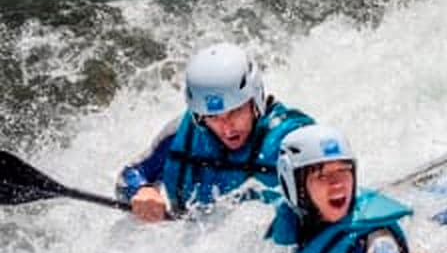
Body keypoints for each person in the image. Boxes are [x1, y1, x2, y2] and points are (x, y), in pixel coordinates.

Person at [116, 42, 314, 221]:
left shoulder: (293, 140)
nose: (227, 128)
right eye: (214, 117)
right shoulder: (181, 137)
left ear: (256, 101)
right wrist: (142, 191)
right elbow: (130, 175)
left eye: (235, 112)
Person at [267, 124, 412, 253]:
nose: (337, 183)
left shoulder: (379, 243)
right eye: (322, 175)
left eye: (343, 170)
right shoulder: (289, 223)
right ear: (295, 187)